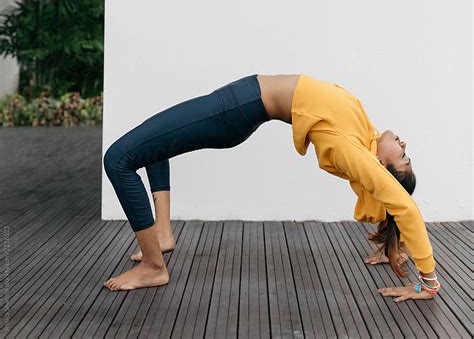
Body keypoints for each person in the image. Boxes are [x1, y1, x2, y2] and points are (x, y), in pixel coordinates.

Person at [103, 73, 441, 300]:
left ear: (384, 166)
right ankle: (162, 236)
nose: (403, 143)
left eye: (404, 155)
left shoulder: (351, 149)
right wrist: (392, 241)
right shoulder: (363, 135)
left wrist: (428, 282)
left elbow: (403, 205)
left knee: (118, 159)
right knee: (153, 143)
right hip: (238, 101)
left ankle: (152, 267)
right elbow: (387, 200)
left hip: (233, 111)